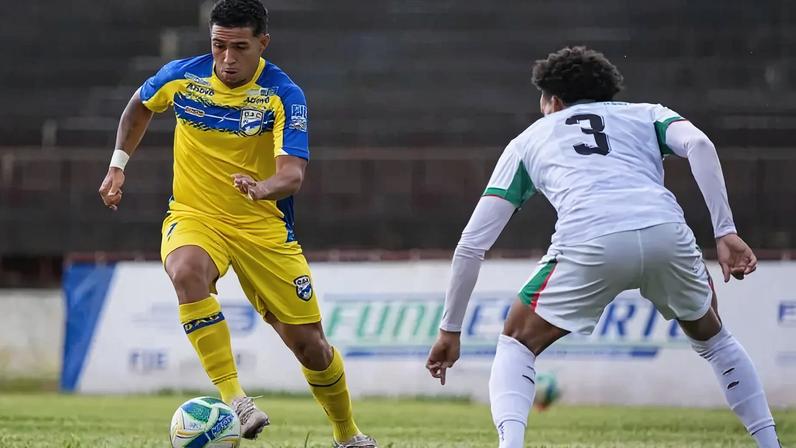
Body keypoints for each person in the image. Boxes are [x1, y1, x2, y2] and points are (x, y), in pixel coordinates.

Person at [425, 46, 781, 448]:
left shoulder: (528, 141)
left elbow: (472, 245)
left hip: (590, 240)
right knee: (715, 340)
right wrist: (724, 230)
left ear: (553, 100)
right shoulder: (647, 113)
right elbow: (699, 145)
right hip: (666, 231)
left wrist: (450, 330)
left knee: (517, 341)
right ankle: (771, 443)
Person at [97, 1, 376, 446]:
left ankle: (348, 435)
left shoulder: (283, 94)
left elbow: (293, 174)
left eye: (239, 48)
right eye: (218, 46)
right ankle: (236, 401)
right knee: (186, 271)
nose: (226, 59)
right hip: (196, 215)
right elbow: (139, 105)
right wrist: (117, 165)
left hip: (263, 229)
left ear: (262, 43)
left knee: (311, 348)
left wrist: (264, 188)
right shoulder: (182, 77)